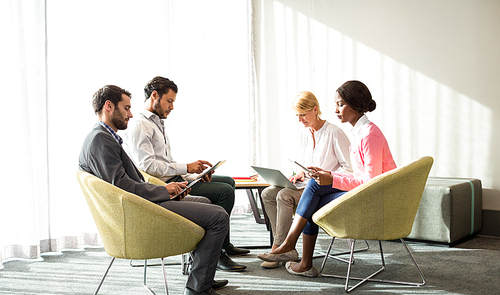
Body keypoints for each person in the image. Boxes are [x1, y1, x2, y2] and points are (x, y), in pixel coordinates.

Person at [79, 85, 236, 295]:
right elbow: (123, 187)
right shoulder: (100, 139)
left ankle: (202, 273)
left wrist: (171, 190)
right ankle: (197, 289)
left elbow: (129, 183)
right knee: (218, 216)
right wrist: (163, 190)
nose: (130, 114)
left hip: (141, 204)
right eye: (126, 108)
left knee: (203, 201)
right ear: (109, 106)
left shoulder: (103, 136)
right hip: (139, 212)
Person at [258, 80, 397, 277]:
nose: (336, 110)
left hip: (373, 200)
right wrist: (329, 175)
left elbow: (370, 183)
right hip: (362, 192)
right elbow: (360, 177)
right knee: (310, 192)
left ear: (355, 104)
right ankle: (296, 254)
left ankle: (294, 250)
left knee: (312, 194)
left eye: (340, 104)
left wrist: (331, 179)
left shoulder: (368, 136)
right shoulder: (360, 133)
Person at [122, 76, 248, 272]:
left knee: (228, 182)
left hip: (174, 177)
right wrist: (187, 168)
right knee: (224, 192)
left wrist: (194, 175)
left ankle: (223, 244)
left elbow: (167, 162)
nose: (172, 107)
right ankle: (218, 252)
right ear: (155, 95)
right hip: (163, 185)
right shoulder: (140, 125)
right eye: (169, 101)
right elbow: (148, 167)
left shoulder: (157, 123)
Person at [259, 91, 352, 269]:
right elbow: (303, 164)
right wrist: (298, 173)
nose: (300, 120)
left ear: (315, 110)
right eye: (297, 116)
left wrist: (325, 173)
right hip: (305, 184)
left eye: (303, 115)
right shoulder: (304, 134)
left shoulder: (334, 132)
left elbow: (348, 169)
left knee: (284, 195)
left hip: (323, 188)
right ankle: (280, 245)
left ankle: (280, 248)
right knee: (268, 193)